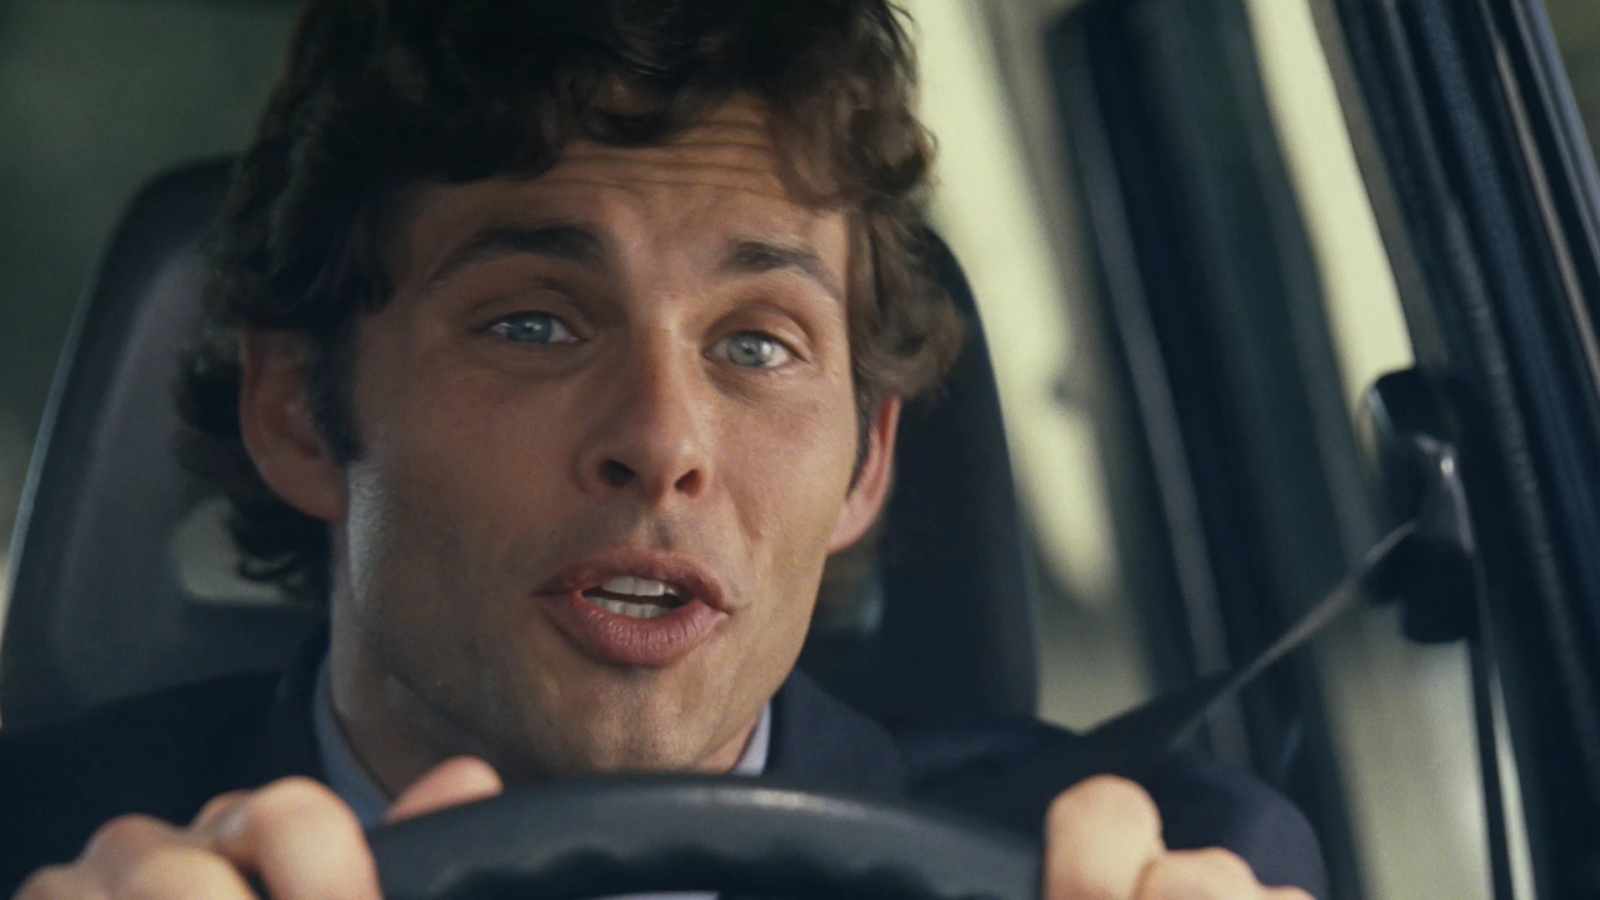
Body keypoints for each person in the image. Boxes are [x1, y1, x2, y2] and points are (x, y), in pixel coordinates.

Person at [0, 2, 1323, 898]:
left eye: (757, 345)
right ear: (298, 410)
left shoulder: (1153, 863)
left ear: (866, 463)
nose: (661, 441)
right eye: (532, 324)